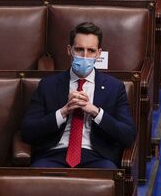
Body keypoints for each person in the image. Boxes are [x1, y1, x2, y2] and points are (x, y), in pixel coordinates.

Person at [21, 22, 136, 169]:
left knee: (108, 173)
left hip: (97, 156)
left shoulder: (114, 88)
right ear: (69, 50)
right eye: (79, 50)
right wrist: (63, 112)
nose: (85, 56)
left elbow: (128, 135)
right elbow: (28, 131)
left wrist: (96, 112)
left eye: (91, 51)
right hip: (54, 154)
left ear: (99, 53)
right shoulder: (48, 85)